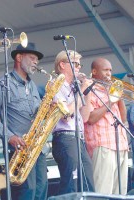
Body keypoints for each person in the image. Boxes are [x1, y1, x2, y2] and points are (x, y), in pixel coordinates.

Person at [0, 42, 48, 200]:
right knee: (27, 191)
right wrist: (9, 136)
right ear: (19, 57)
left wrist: (47, 110)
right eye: (32, 58)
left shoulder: (32, 85)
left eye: (37, 60)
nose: (35, 62)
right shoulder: (4, 83)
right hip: (18, 149)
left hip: (37, 148)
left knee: (41, 190)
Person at [51, 50, 95, 195]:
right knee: (71, 183)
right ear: (62, 65)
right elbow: (66, 113)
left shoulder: (74, 88)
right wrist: (81, 90)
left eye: (79, 65)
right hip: (65, 137)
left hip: (79, 138)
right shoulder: (55, 85)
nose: (79, 67)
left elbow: (85, 116)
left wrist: (86, 93)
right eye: (75, 64)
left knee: (88, 182)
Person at [84, 57, 129, 195]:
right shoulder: (89, 89)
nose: (109, 73)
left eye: (110, 70)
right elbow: (90, 118)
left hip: (120, 144)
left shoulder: (109, 89)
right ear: (94, 71)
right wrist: (110, 101)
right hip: (103, 146)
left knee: (120, 193)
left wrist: (118, 96)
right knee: (103, 192)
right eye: (105, 70)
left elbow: (123, 118)